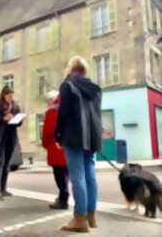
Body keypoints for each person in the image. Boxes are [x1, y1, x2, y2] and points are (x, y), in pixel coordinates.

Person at [55, 56, 102, 233]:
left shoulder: (68, 85)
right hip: (92, 137)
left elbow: (63, 114)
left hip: (74, 137)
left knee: (77, 177)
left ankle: (79, 219)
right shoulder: (96, 88)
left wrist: (58, 135)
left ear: (71, 69)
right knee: (90, 176)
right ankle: (91, 216)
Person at [0, 86, 22, 201]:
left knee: (7, 163)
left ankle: (3, 189)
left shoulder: (15, 105)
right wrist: (3, 119)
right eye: (9, 95)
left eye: (12, 95)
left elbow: (18, 122)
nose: (11, 98)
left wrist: (19, 119)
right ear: (3, 95)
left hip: (11, 137)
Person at [42, 90, 69, 210]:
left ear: (52, 100)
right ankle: (63, 196)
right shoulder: (68, 110)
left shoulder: (51, 112)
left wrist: (45, 145)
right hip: (68, 148)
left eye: (48, 101)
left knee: (59, 175)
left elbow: (47, 132)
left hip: (55, 148)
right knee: (66, 175)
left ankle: (63, 199)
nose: (47, 103)